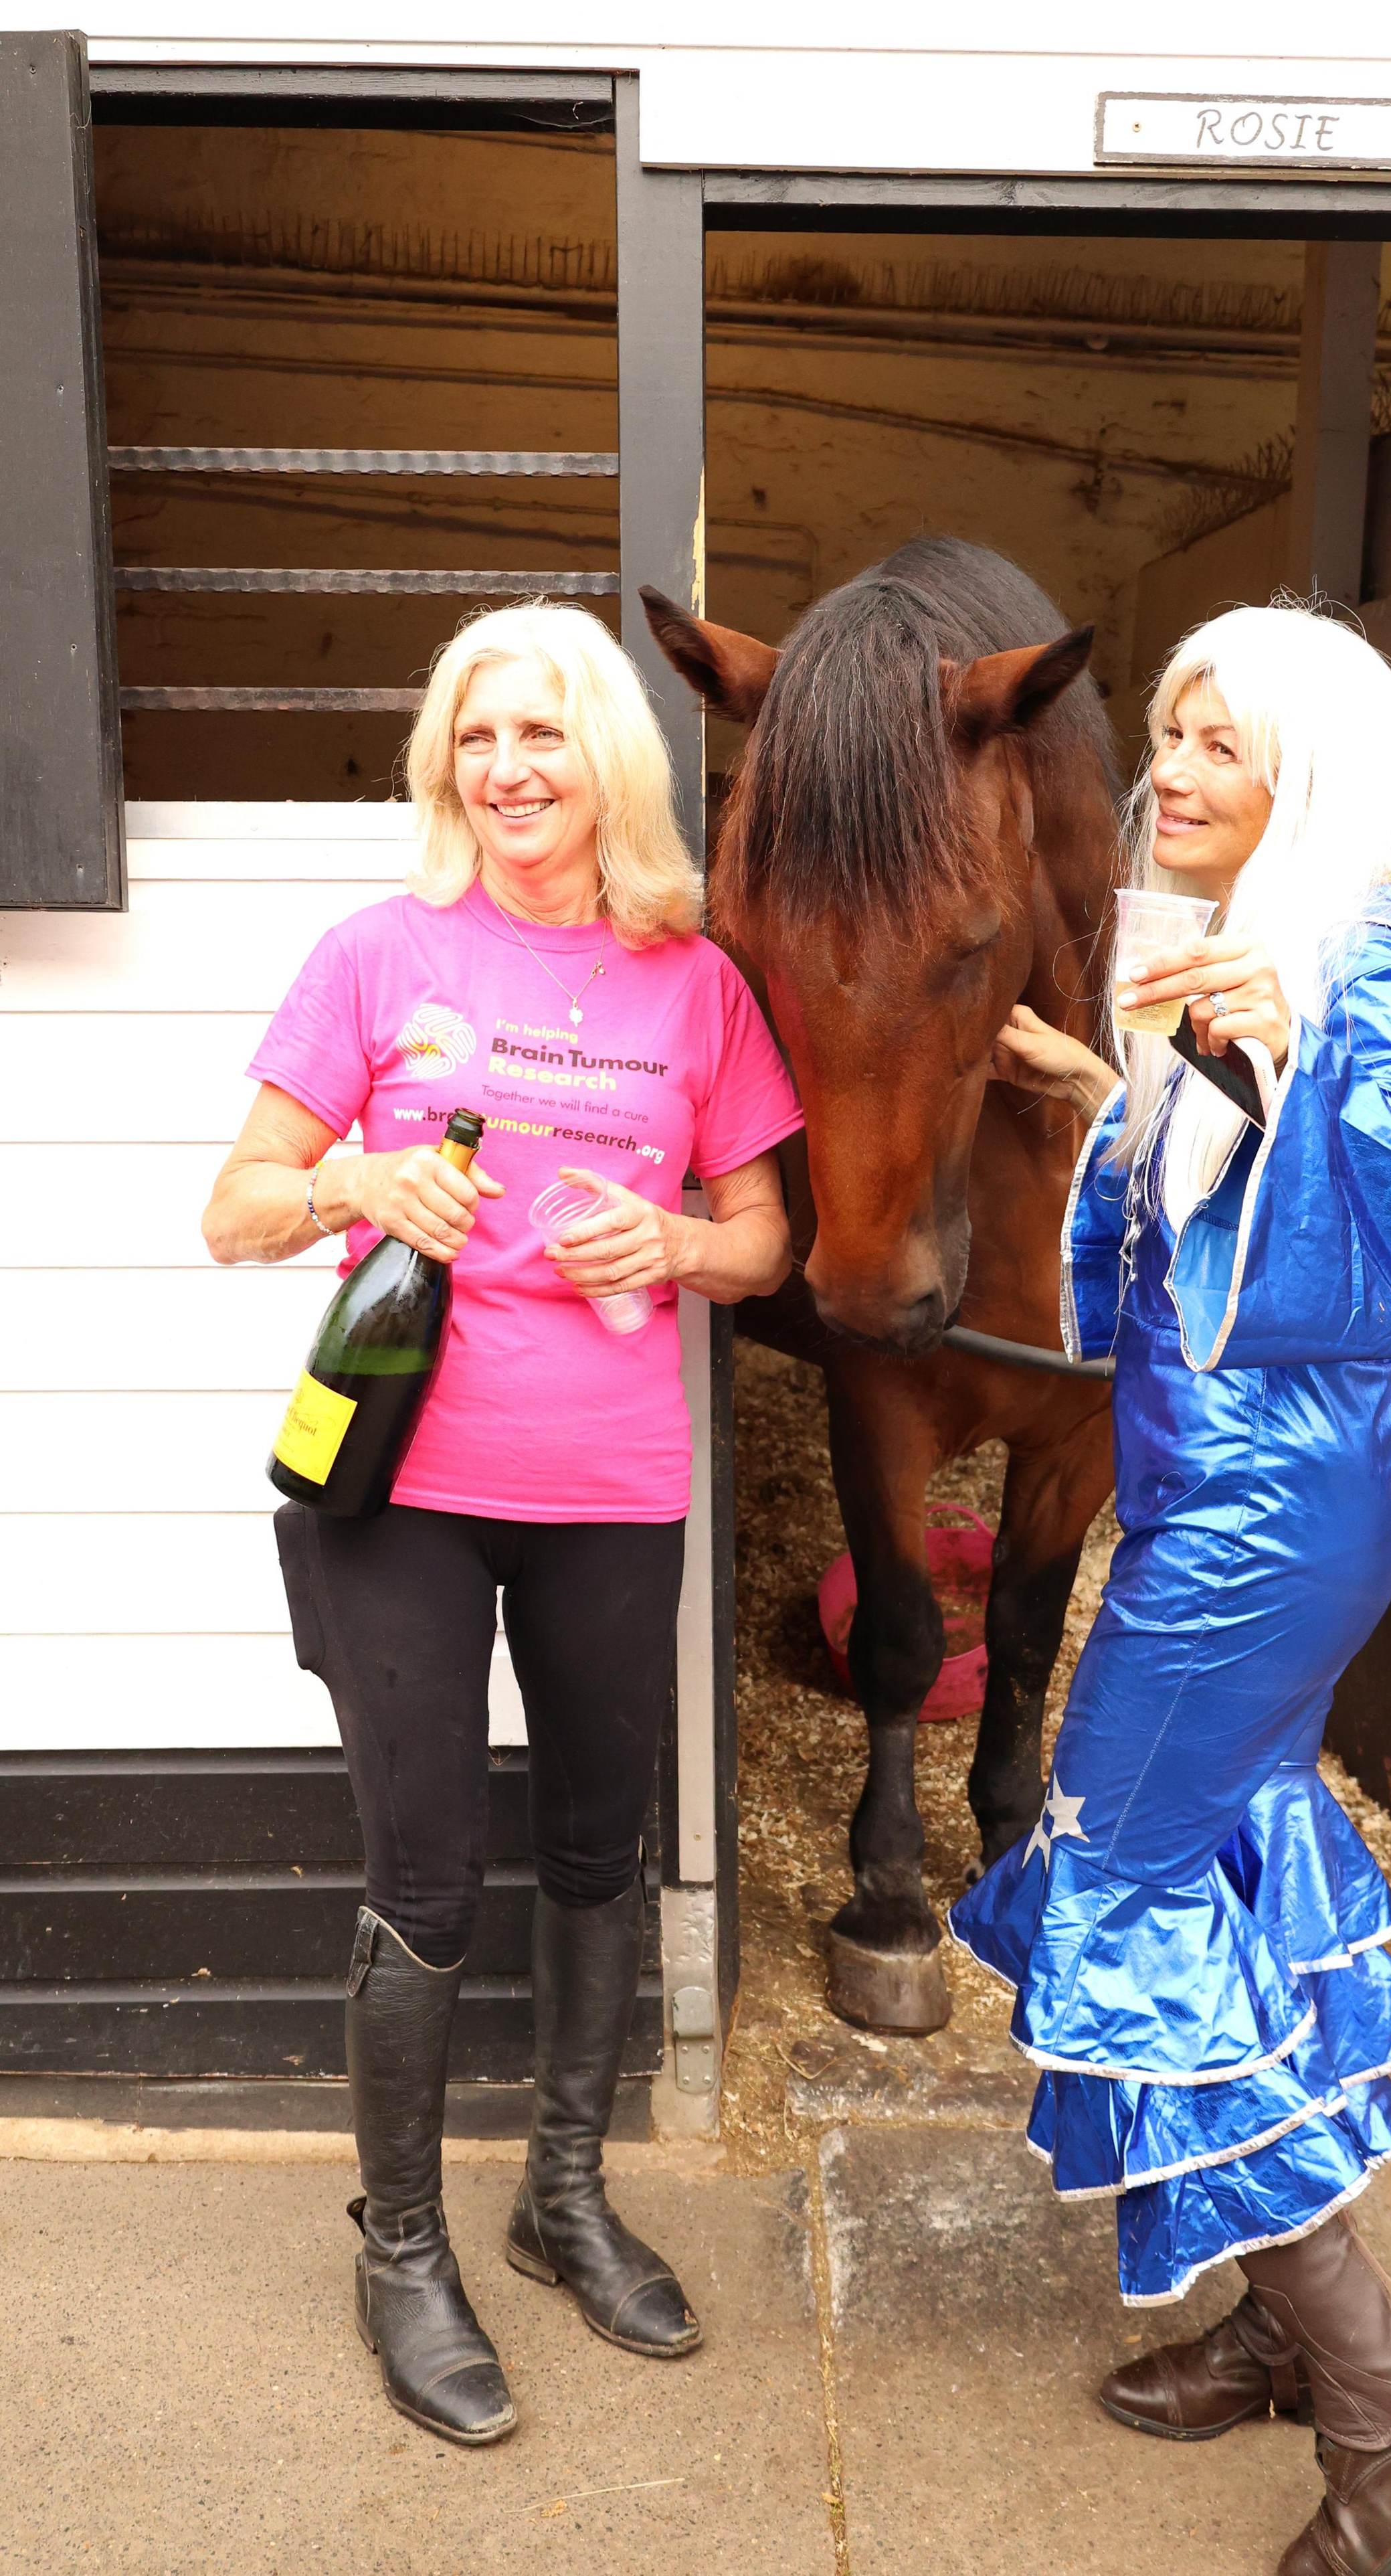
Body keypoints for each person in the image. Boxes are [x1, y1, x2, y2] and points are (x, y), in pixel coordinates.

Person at [949, 604, 1391, 2576]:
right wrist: (1118, 1090)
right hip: (1240, 1508)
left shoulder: (1350, 960)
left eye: (1217, 744)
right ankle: (1287, 2326)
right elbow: (1208, 1216)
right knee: (1214, 1864)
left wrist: (1289, 1064)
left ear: (1305, 780)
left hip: (1265, 1525)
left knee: (1111, 1891)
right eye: (1168, 732)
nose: (1171, 770)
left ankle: (1390, 2381)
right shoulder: (1231, 957)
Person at [202, 603, 802, 2445]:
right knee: (430, 1875)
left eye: (541, 732)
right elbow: (234, 1206)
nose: (508, 769)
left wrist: (686, 1244)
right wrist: (351, 1180)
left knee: (605, 1850)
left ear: (606, 754)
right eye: (477, 737)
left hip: (614, 1487)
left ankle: (560, 2195)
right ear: (445, 764)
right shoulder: (379, 956)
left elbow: (768, 1234)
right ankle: (400, 2243)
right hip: (405, 1494)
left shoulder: (691, 981)